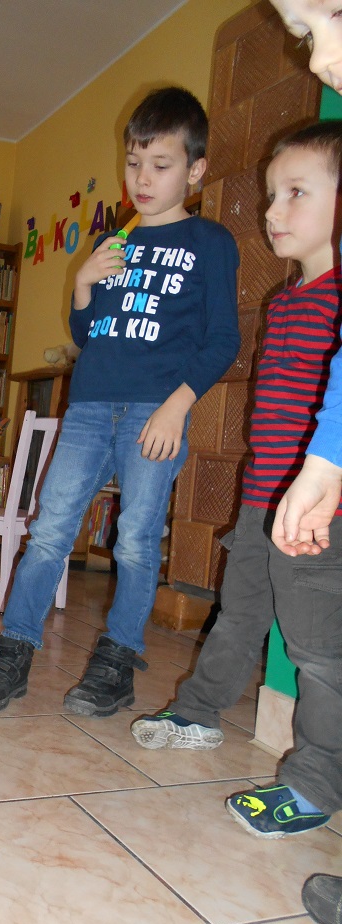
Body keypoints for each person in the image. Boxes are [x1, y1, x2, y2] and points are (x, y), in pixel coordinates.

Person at [0, 86, 241, 714]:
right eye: (134, 163)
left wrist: (177, 405)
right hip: (89, 408)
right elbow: (89, 333)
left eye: (160, 165)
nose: (142, 178)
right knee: (50, 530)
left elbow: (224, 338)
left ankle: (116, 663)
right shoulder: (115, 240)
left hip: (155, 412)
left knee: (137, 539)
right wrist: (84, 283)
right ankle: (14, 650)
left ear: (195, 170)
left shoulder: (211, 242)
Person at [132, 121, 342, 841]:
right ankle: (197, 713)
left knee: (317, 651)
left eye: (296, 193)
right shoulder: (284, 301)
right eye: (270, 196)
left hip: (318, 513)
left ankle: (315, 783)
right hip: (262, 499)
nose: (272, 212)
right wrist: (258, 490)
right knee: (239, 615)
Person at [268, 0, 342, 924]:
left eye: (329, 14)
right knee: (318, 650)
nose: (318, 55)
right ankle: (318, 774)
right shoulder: (289, 301)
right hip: (304, 503)